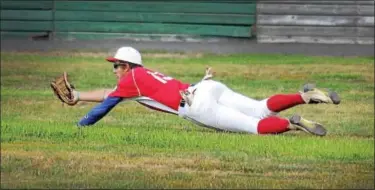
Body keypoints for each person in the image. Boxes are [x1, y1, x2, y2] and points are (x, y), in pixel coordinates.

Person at [66, 46, 340, 136]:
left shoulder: (130, 80)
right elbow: (107, 93)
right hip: (207, 87)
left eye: (117, 65)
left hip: (195, 105)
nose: (115, 70)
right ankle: (304, 96)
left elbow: (105, 105)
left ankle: (291, 124)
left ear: (127, 66)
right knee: (259, 106)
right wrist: (77, 97)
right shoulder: (141, 76)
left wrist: (81, 124)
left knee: (254, 126)